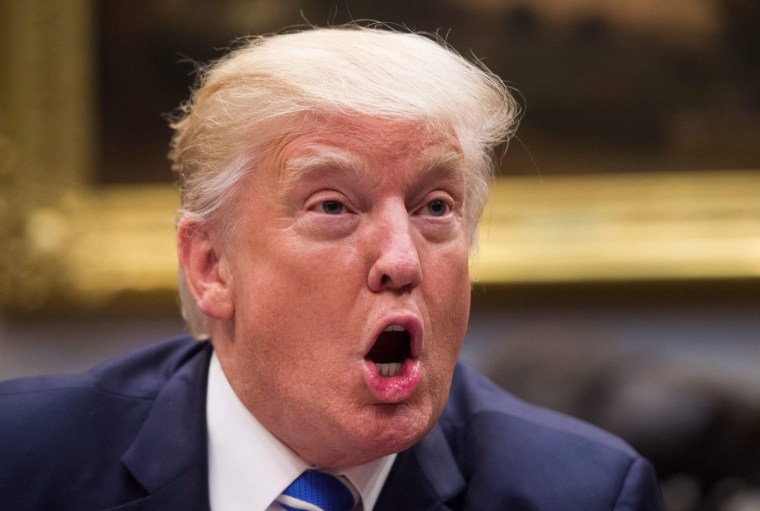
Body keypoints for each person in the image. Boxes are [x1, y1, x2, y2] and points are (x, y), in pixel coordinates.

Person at [0, 25, 663, 510]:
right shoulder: (23, 461)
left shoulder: (585, 492)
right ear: (211, 265)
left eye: (435, 206)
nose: (402, 260)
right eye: (334, 206)